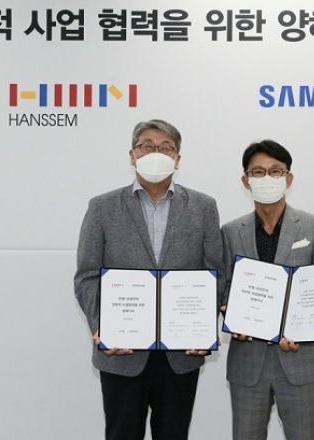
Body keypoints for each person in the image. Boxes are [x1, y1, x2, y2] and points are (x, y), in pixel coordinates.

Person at [73, 119, 223, 440]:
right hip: (122, 353)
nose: (156, 153)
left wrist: (203, 327)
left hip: (180, 355)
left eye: (166, 148)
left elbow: (215, 274)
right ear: (132, 155)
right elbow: (87, 275)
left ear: (178, 159)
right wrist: (103, 326)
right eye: (147, 146)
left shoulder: (204, 207)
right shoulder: (101, 207)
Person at [221, 139, 314, 440]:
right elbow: (223, 287)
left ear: (288, 178)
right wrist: (229, 312)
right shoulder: (231, 232)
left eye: (276, 171)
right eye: (258, 172)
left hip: (301, 361)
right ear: (246, 181)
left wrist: (301, 327)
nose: (267, 178)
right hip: (248, 364)